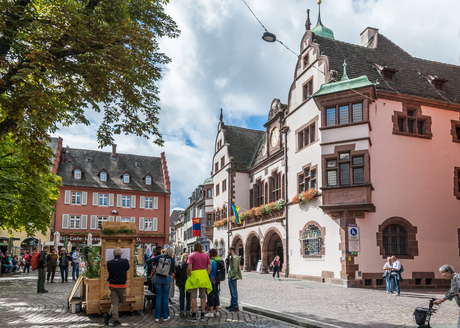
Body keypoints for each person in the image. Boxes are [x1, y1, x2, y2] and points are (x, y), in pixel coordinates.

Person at [146, 246, 176, 322]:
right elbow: (173, 270)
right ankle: (165, 316)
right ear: (172, 252)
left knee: (158, 297)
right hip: (167, 278)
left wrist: (153, 267)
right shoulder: (172, 259)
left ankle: (157, 316)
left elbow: (148, 261)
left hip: (158, 278)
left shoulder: (159, 257)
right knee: (165, 298)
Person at [185, 242, 212, 322]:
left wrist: (188, 275)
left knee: (193, 296)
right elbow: (209, 268)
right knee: (203, 296)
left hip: (194, 276)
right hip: (203, 276)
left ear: (194, 247)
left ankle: (194, 316)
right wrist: (205, 275)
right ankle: (202, 315)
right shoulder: (206, 255)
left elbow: (189, 267)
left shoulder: (192, 255)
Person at [104, 247, 130, 326]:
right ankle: (114, 320)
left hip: (112, 285)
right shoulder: (125, 261)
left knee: (115, 303)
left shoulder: (109, 263)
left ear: (113, 254)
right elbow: (128, 268)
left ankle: (109, 315)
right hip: (122, 285)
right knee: (122, 301)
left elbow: (109, 270)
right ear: (121, 254)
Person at [205, 248, 221, 318]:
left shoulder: (211, 261)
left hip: (211, 279)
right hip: (217, 279)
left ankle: (211, 312)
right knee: (216, 294)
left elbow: (208, 270)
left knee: (210, 294)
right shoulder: (219, 260)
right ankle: (217, 311)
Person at [175, 253, 191, 318]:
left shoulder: (179, 265)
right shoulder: (190, 266)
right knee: (188, 297)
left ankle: (182, 311)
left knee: (181, 297)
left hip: (181, 283)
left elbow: (176, 275)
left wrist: (177, 281)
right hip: (188, 283)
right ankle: (188, 311)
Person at [226, 246, 242, 311]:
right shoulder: (232, 258)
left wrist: (231, 276)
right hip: (231, 276)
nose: (228, 252)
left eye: (228, 251)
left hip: (232, 277)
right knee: (232, 292)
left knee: (234, 291)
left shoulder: (235, 258)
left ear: (232, 250)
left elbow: (234, 269)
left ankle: (235, 306)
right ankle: (232, 304)